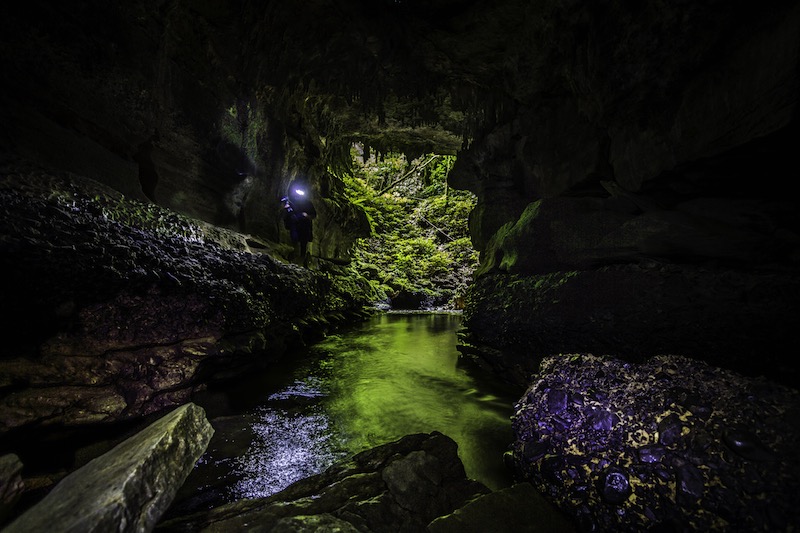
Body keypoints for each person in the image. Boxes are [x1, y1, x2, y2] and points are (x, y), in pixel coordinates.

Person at [281, 180, 317, 267]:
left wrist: (306, 215)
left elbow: (314, 214)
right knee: (294, 240)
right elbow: (286, 207)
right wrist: (287, 208)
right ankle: (293, 259)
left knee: (304, 242)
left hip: (305, 226)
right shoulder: (291, 201)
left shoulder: (308, 203)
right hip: (295, 225)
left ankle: (302, 260)